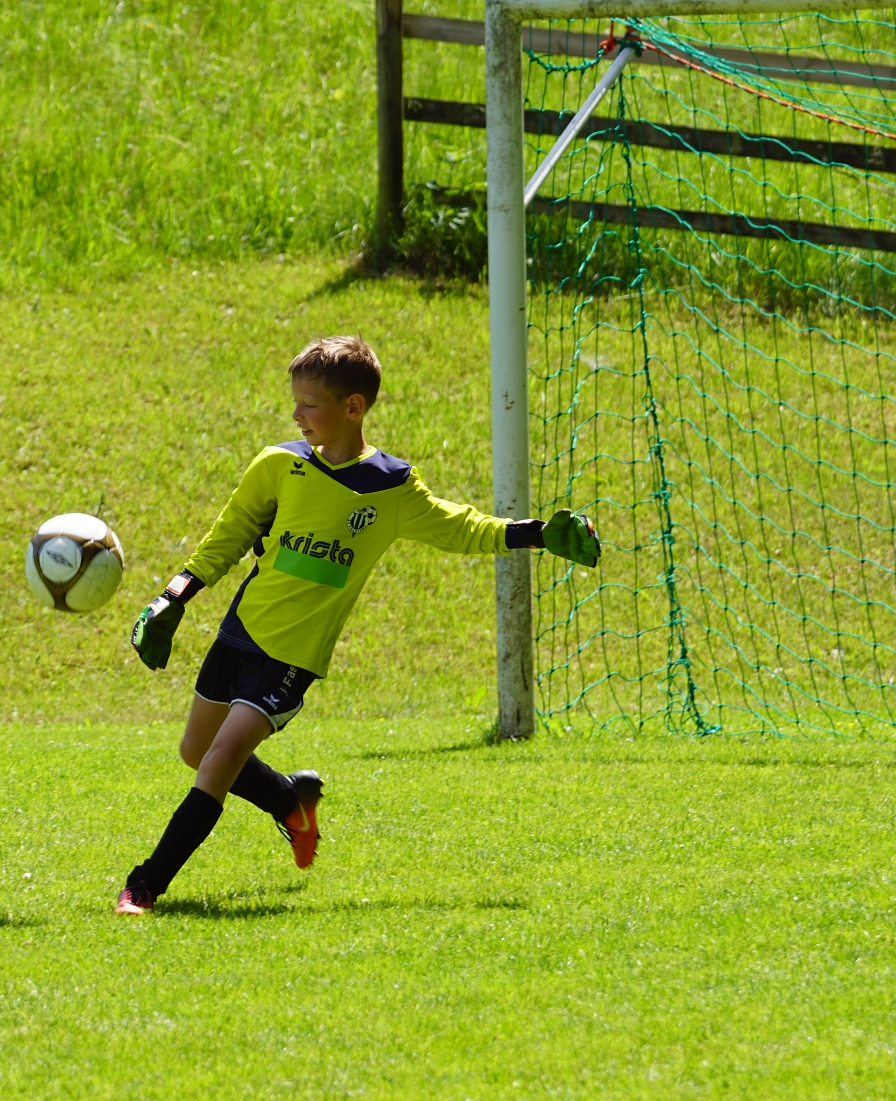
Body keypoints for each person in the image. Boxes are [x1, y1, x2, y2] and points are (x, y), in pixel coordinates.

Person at [115, 335, 603, 915]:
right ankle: (290, 800)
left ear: (353, 407)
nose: (297, 415)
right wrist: (174, 596)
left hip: (292, 656)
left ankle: (145, 885)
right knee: (196, 750)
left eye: (309, 404)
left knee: (219, 759)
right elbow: (228, 536)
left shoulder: (391, 487)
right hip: (240, 630)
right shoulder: (279, 465)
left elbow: (460, 527)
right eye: (295, 402)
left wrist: (538, 533)